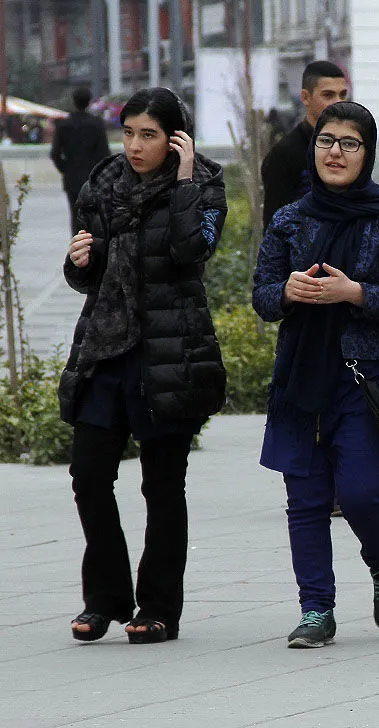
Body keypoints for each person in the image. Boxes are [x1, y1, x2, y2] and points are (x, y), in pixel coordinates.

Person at [254, 101, 379, 649]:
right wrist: (286, 291)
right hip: (301, 379)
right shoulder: (290, 219)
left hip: (366, 378)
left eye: (349, 143)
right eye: (326, 141)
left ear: (367, 152)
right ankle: (315, 611)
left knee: (359, 493)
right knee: (305, 501)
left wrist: (353, 291)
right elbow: (261, 296)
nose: (335, 152)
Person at [62, 87, 227, 645]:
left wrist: (182, 181)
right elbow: (90, 272)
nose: (134, 145)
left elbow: (190, 252)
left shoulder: (203, 185)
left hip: (167, 351)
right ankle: (104, 596)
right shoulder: (104, 184)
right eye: (129, 131)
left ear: (176, 138)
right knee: (88, 475)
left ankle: (158, 606)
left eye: (149, 135)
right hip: (107, 349)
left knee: (162, 485)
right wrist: (78, 261)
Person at [261, 61, 348, 231]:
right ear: (306, 97)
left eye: (343, 95)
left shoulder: (353, 147)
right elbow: (275, 229)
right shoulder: (284, 155)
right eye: (328, 95)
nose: (338, 102)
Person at [50, 87, 110, 234]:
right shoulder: (97, 124)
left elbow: (55, 153)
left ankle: (77, 247)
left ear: (74, 101)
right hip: (94, 177)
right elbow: (104, 153)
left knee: (75, 214)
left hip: (72, 177)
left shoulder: (63, 125)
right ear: (89, 102)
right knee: (94, 214)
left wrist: (65, 168)